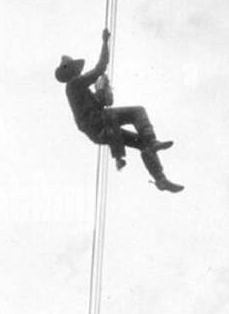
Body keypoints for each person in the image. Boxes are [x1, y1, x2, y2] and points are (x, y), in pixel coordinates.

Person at [54, 29, 183, 192]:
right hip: (97, 123)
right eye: (74, 69)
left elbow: (103, 101)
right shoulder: (73, 85)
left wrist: (103, 91)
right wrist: (105, 42)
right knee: (138, 111)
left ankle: (161, 179)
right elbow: (99, 68)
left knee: (142, 144)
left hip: (98, 128)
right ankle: (152, 141)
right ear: (71, 72)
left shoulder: (81, 90)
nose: (78, 72)